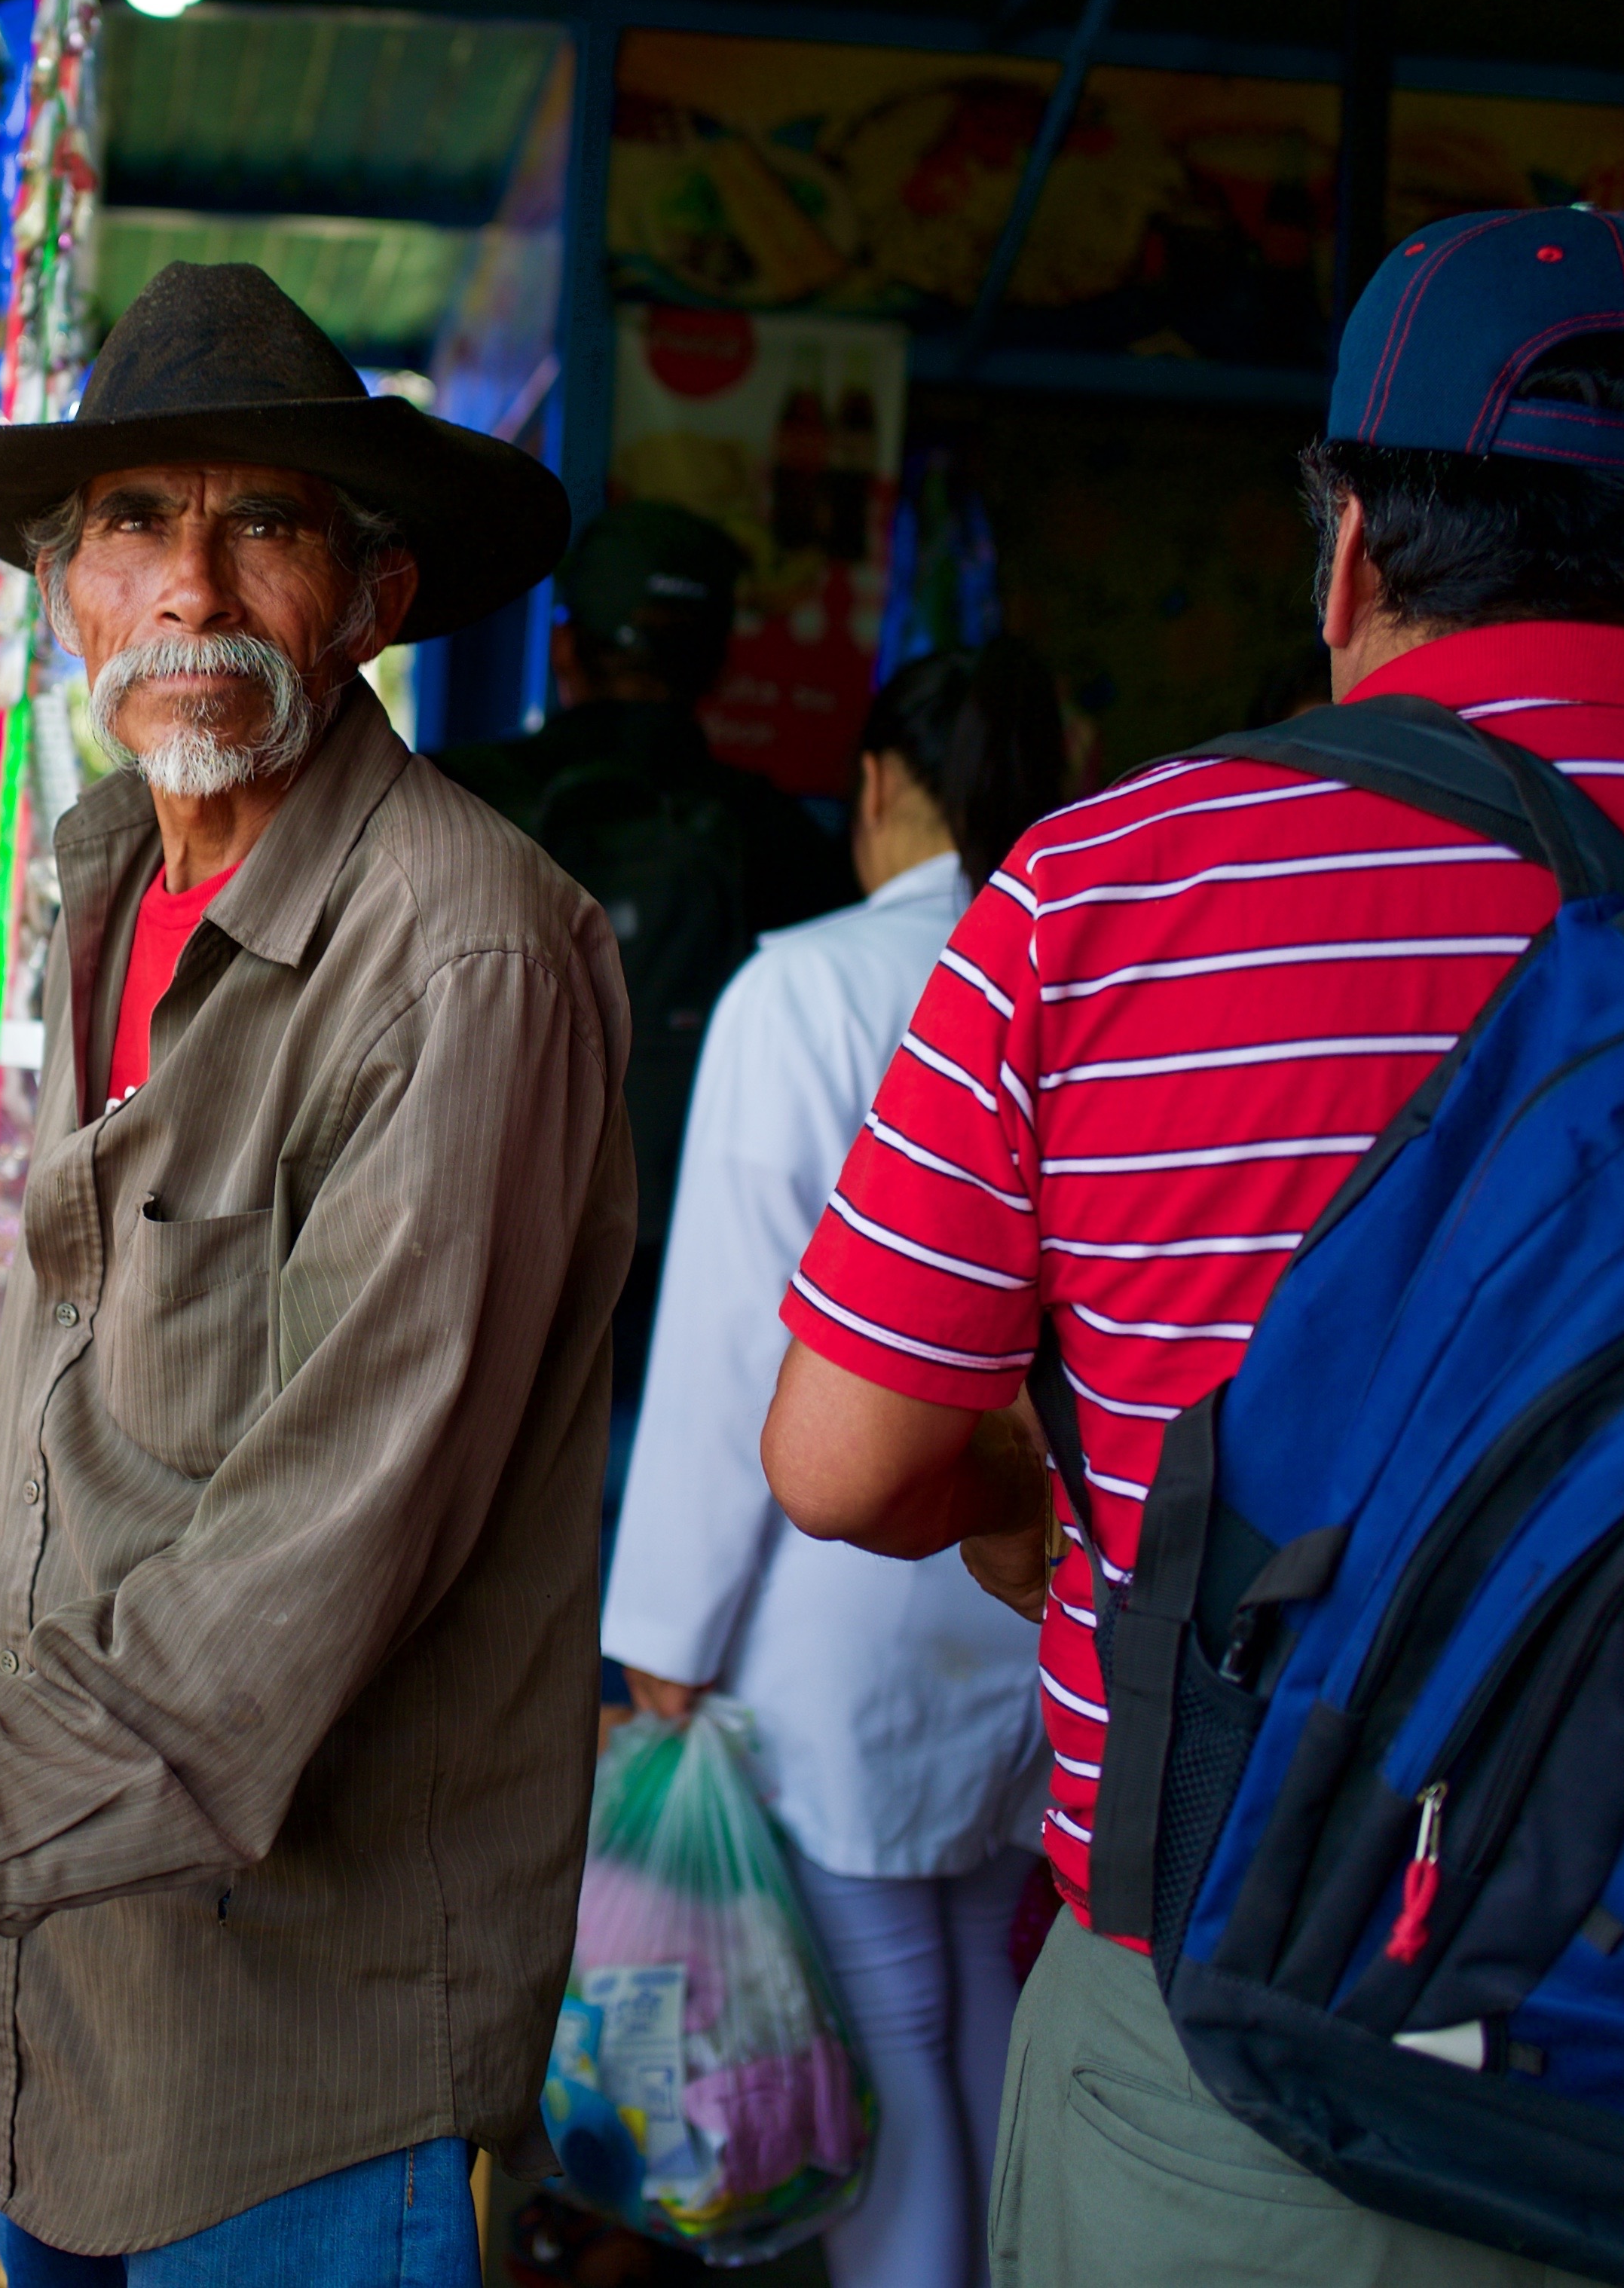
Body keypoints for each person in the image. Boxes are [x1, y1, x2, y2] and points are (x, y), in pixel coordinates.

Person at [755, 207, 1624, 2287]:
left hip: (1237, 2059)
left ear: (1345, 555)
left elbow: (842, 1457)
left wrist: (1039, 1495)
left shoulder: (1103, 892)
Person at [0, 260, 633, 2280]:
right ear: (60, 588)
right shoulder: (106, 873)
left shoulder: (461, 956)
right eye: (131, 523)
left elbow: (306, 1555)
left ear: (371, 594)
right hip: (69, 2018)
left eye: (262, 523)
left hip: (298, 2072)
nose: (188, 586)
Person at [601, 636, 1066, 2288]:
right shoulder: (1073, 965)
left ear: (875, 787)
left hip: (837, 1589)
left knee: (882, 2014)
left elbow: (738, 1334)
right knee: (983, 1976)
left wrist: (665, 1623)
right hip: (1028, 1585)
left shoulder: (802, 987)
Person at [439, 500, 857, 1301]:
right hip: (692, 1269)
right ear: (717, 667)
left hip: (476, 1248)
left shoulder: (451, 800)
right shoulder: (781, 838)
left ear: (564, 647)